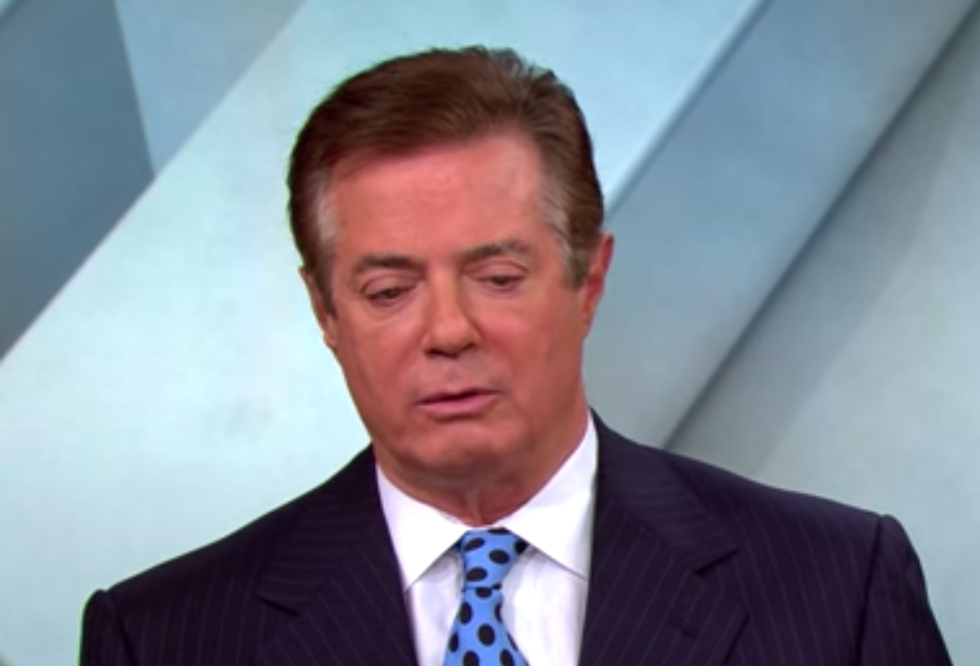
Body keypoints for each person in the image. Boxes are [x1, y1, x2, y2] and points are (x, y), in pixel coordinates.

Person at [80, 46, 952, 666]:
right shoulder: (162, 639)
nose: (448, 330)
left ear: (588, 281)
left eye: (497, 278)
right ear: (325, 312)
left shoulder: (838, 588)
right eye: (389, 291)